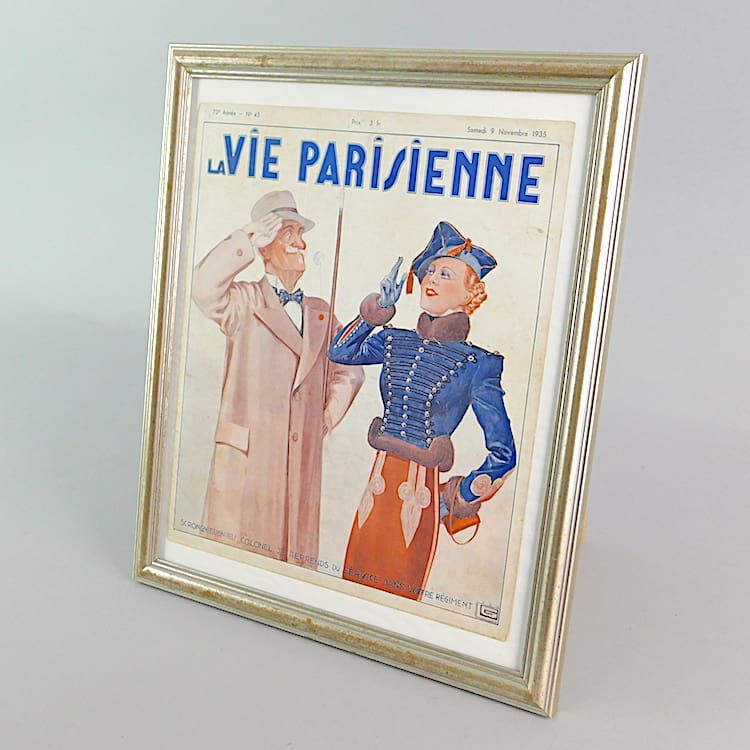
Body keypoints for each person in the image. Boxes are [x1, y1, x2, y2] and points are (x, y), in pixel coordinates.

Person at [327, 221, 516, 600]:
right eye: (430, 271)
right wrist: (379, 310)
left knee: (396, 597)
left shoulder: (478, 364)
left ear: (470, 295)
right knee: (352, 588)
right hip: (374, 492)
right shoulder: (394, 339)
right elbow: (340, 352)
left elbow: (504, 454)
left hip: (421, 501)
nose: (431, 278)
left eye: (446, 274)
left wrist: (463, 493)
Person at [192, 190, 364, 569]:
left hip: (299, 469)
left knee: (291, 568)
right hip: (247, 468)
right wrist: (246, 238)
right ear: (265, 248)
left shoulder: (321, 313)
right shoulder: (243, 302)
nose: (300, 243)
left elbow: (349, 370)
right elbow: (202, 288)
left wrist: (325, 419)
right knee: (237, 565)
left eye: (300, 234)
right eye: (288, 233)